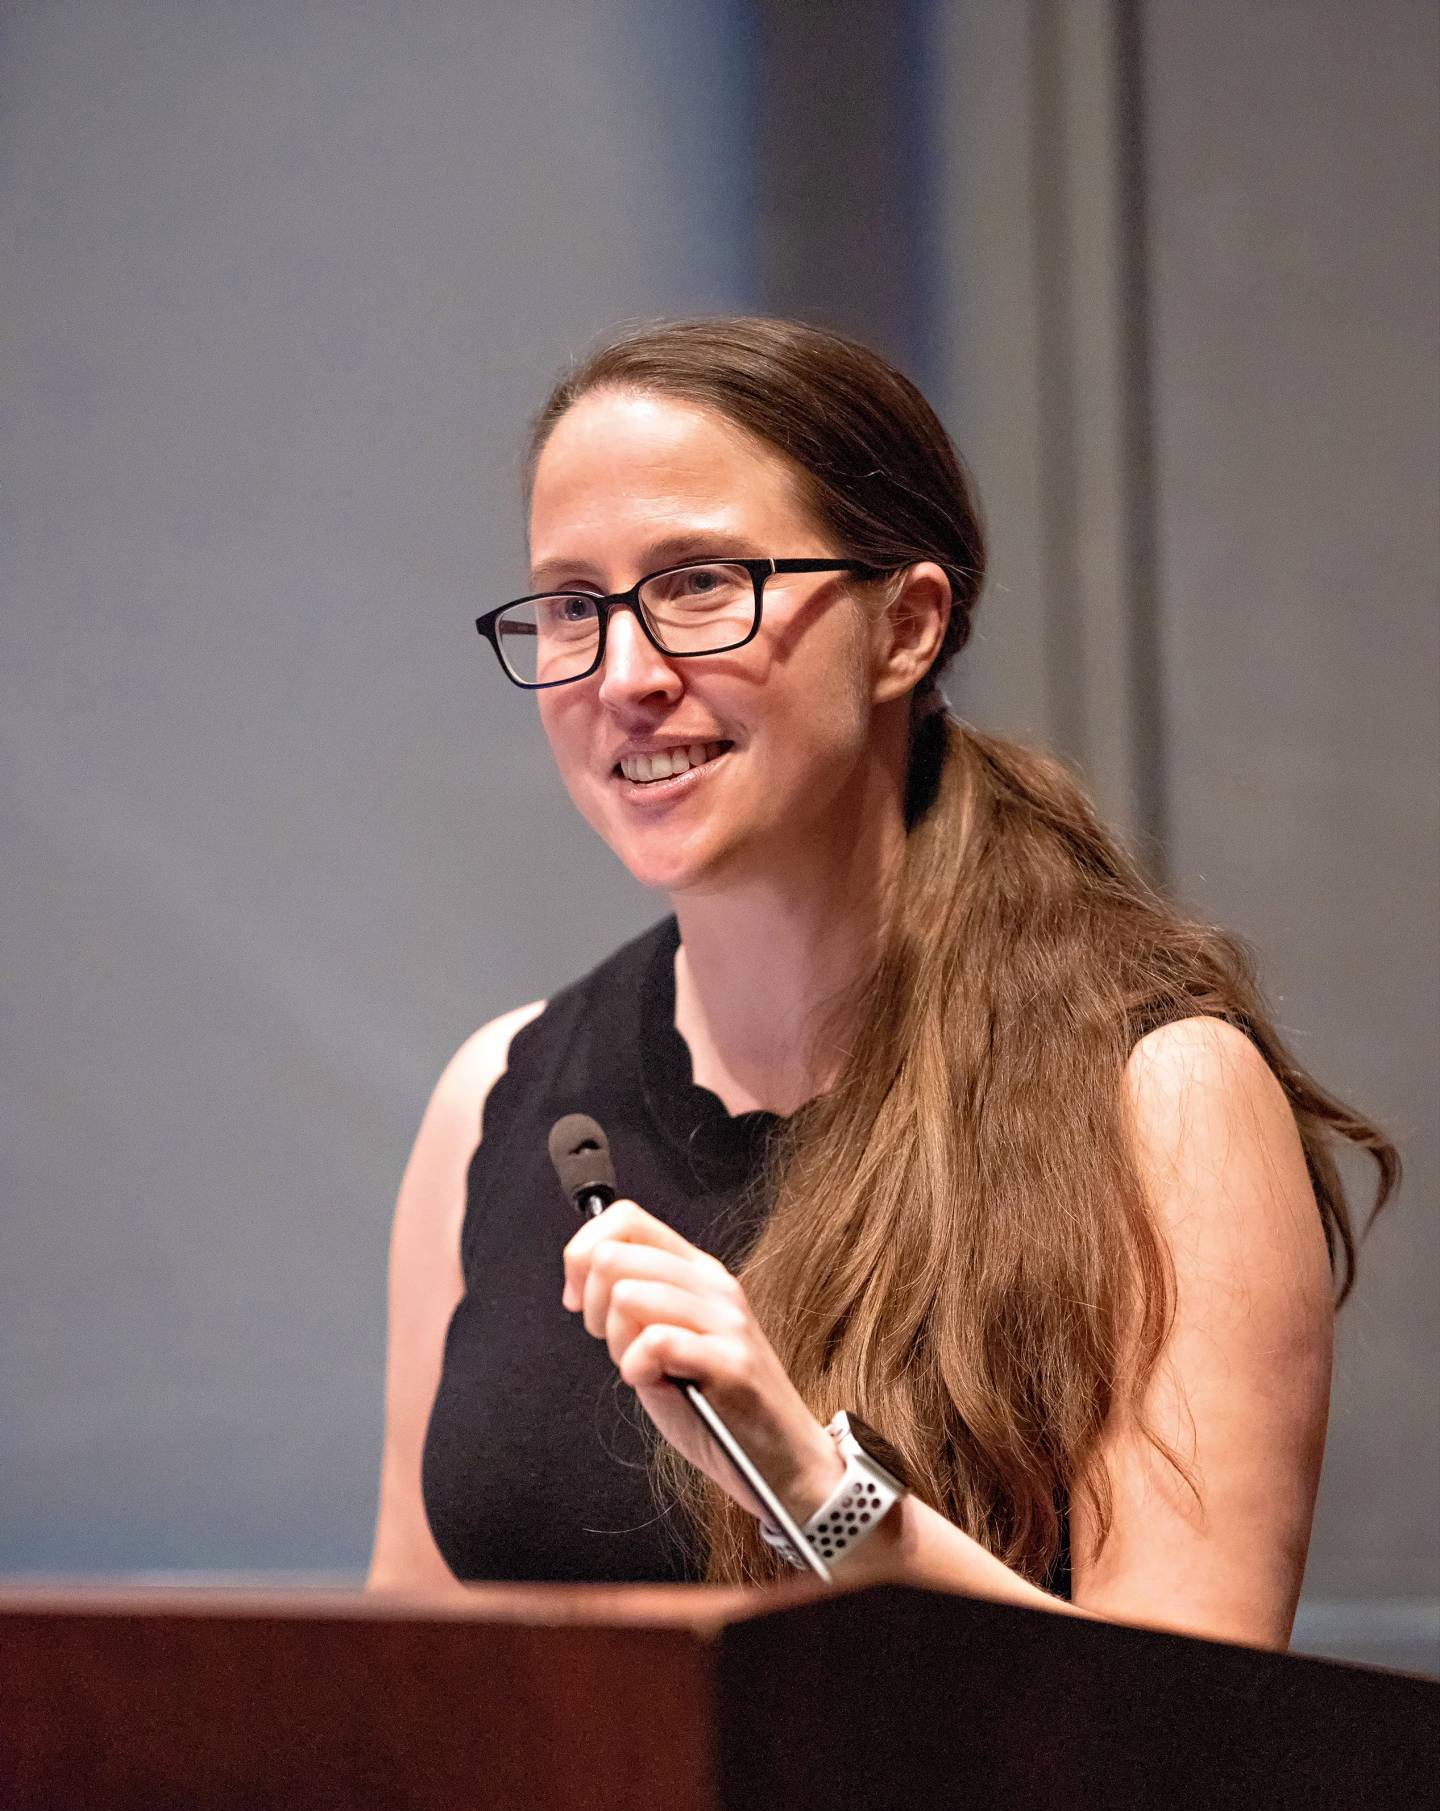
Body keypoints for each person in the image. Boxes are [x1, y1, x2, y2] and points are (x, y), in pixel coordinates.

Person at [368, 315, 1396, 1647]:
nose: (623, 675)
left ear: (905, 626)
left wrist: (818, 1491)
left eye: (698, 583)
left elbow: (1184, 1759)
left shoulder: (1164, 1098)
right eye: (573, 605)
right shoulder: (492, 1099)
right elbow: (402, 1704)